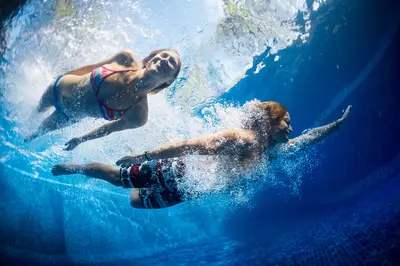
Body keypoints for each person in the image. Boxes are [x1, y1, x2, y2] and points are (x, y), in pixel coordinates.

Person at [51, 102, 352, 209]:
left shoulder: (273, 152)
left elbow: (306, 139)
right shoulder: (243, 139)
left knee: (135, 203)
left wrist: (336, 126)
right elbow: (191, 144)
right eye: (286, 121)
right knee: (117, 179)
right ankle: (78, 167)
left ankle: (121, 176)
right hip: (176, 171)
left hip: (190, 190)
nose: (291, 126)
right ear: (271, 122)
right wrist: (142, 154)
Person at [25, 48, 181, 150]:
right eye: (163, 55)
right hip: (57, 88)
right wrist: (65, 73)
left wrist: (80, 140)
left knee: (34, 134)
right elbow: (89, 68)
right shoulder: (125, 59)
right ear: (153, 59)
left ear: (170, 81)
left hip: (65, 117)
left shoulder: (138, 114)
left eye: (171, 62)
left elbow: (108, 129)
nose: (164, 60)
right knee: (35, 112)